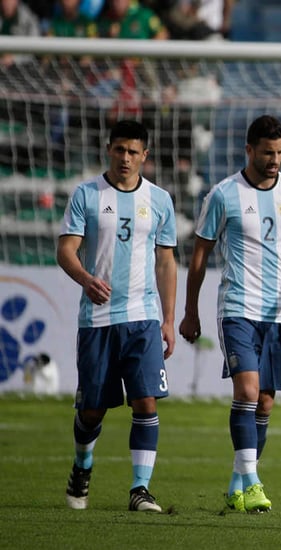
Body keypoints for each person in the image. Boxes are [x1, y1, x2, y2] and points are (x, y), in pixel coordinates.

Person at [179, 115, 281, 514]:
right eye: (268, 152)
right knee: (247, 392)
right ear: (249, 150)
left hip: (280, 312)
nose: (275, 160)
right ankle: (252, 483)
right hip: (238, 308)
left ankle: (237, 481)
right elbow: (199, 258)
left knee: (265, 402)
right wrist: (190, 311)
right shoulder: (223, 195)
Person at [57, 119, 178, 513]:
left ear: (145, 155)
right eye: (119, 150)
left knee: (146, 402)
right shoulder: (87, 195)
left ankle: (140, 489)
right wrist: (85, 278)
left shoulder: (160, 200)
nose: (125, 158)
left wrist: (168, 318)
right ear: (108, 149)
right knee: (92, 409)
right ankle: (82, 464)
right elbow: (66, 250)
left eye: (133, 152)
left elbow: (165, 262)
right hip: (97, 320)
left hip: (142, 317)